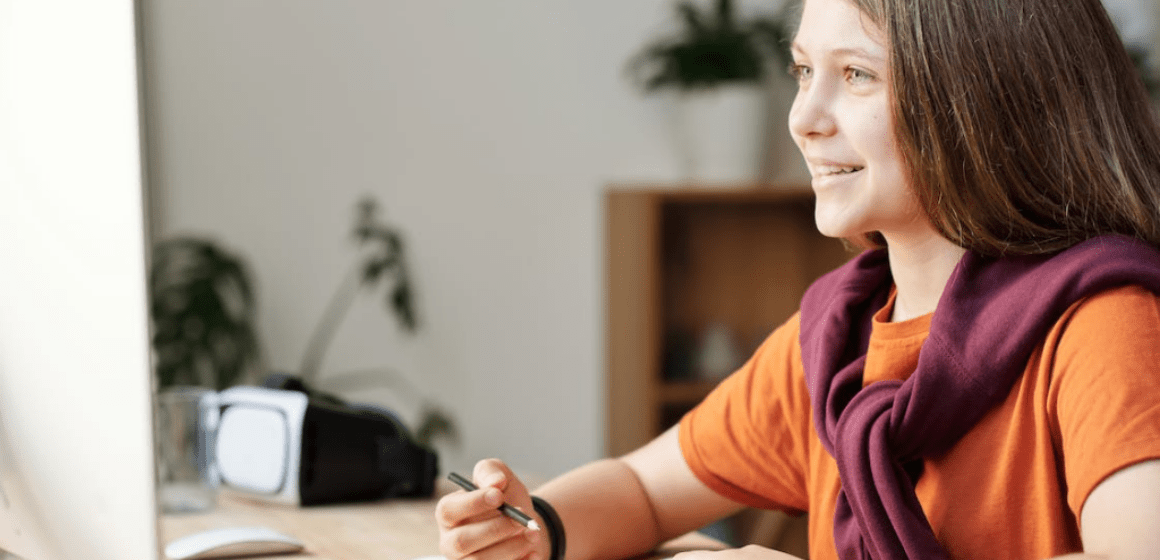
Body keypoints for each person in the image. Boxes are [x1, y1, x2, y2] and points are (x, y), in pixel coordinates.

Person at [435, 0, 1160, 558]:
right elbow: (642, 489)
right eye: (804, 71)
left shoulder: (1105, 326)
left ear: (988, 100)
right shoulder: (835, 341)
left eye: (856, 75)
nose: (804, 118)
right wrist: (539, 529)